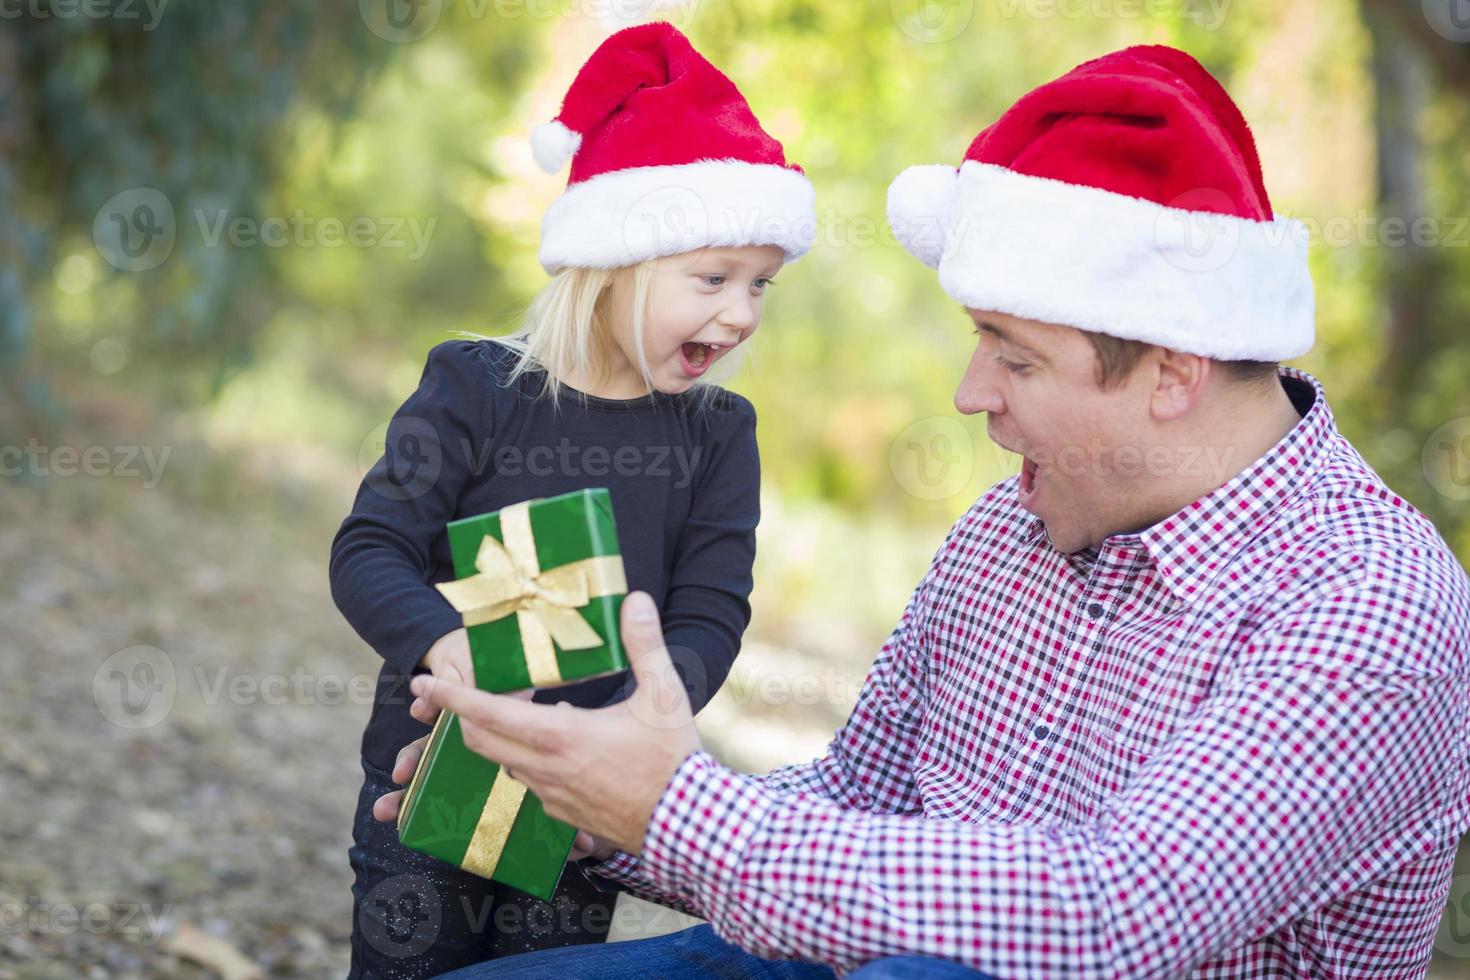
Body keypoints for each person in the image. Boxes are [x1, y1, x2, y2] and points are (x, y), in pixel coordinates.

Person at [380, 45, 1470, 978]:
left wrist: (675, 808)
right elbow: (861, 797)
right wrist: (586, 790)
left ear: (1172, 373)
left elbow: (1120, 906)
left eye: (1015, 354)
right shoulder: (1013, 530)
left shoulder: (1370, 602)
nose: (970, 392)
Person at [328, 22, 815, 979]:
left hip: (584, 807)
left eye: (761, 283)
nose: (742, 311)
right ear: (613, 263)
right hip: (436, 778)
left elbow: (712, 608)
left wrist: (643, 716)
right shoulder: (476, 388)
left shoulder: (718, 434)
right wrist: (446, 644)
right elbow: (370, 548)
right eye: (712, 277)